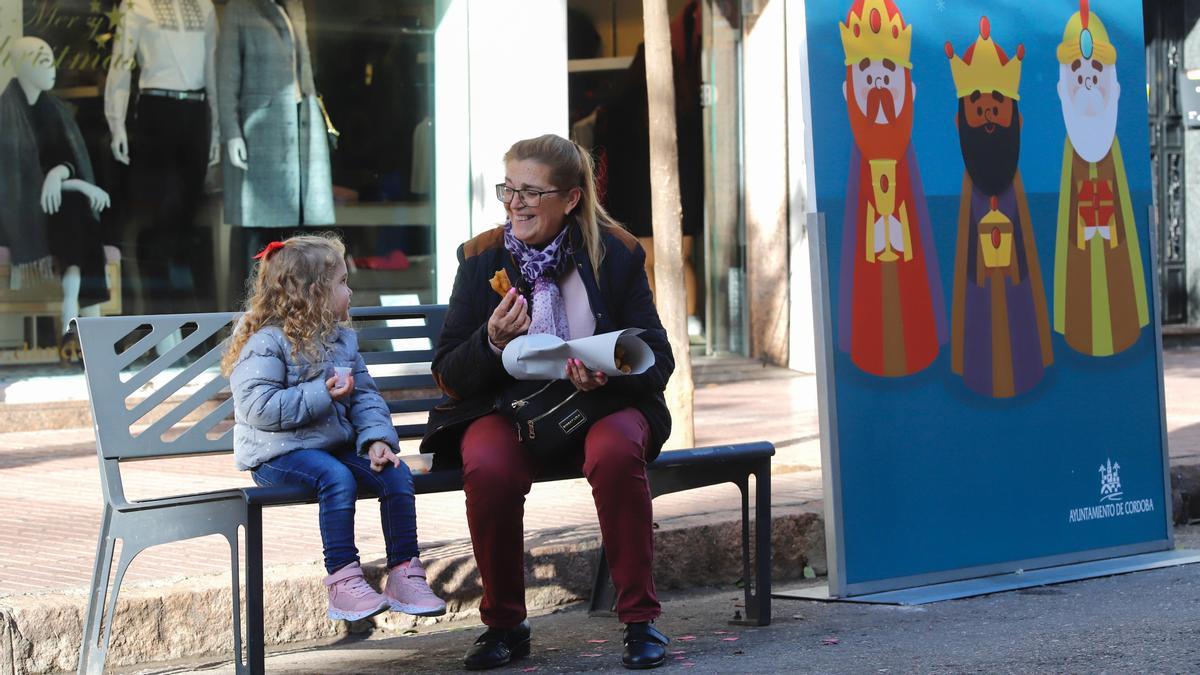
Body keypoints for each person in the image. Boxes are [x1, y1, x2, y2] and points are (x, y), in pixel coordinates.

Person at [420, 134, 675, 670]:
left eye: (531, 192)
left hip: (600, 406)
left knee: (616, 452)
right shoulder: (480, 257)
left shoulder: (617, 253)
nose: (516, 204)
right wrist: (490, 341)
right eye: (508, 189)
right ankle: (506, 625)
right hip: (508, 410)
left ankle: (639, 620)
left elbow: (657, 357)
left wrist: (606, 373)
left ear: (572, 199)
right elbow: (449, 374)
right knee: (486, 464)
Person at [221, 234, 444, 622]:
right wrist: (320, 393)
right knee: (336, 477)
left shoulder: (341, 339)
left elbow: (366, 397)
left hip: (331, 447)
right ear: (311, 293)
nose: (350, 290)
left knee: (394, 470)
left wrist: (376, 439)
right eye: (342, 282)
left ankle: (404, 573)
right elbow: (258, 408)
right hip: (278, 455)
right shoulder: (266, 342)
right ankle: (343, 582)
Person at [836, 0, 946, 377]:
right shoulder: (856, 166)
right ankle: (868, 350)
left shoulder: (910, 163)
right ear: (849, 91)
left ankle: (920, 344)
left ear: (909, 90)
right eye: (866, 69)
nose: (879, 81)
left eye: (889, 70)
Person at [946, 17, 1053, 398]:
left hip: (1009, 205)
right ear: (960, 119)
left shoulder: (1016, 188)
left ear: (1016, 118)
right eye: (978, 106)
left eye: (997, 105)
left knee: (1020, 283)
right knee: (974, 288)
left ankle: (1027, 363)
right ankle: (974, 366)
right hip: (978, 206)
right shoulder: (968, 188)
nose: (988, 113)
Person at [1052, 0, 1149, 357]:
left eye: (1096, 73)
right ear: (1065, 85)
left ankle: (1126, 322)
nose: (1088, 81)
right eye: (1078, 73)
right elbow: (1067, 218)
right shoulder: (1072, 149)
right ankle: (1075, 326)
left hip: (1111, 240)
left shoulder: (1113, 148)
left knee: (1119, 257)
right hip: (1082, 238)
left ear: (1112, 83)